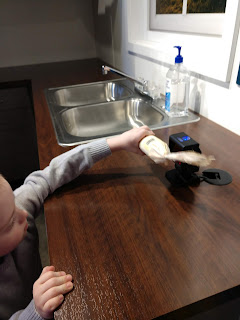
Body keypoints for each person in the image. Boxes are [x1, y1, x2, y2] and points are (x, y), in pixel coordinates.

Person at [0, 126, 154, 320]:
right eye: (11, 222)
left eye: (14, 204)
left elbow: (51, 174)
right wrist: (35, 311)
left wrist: (119, 142)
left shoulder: (15, 207)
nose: (24, 213)